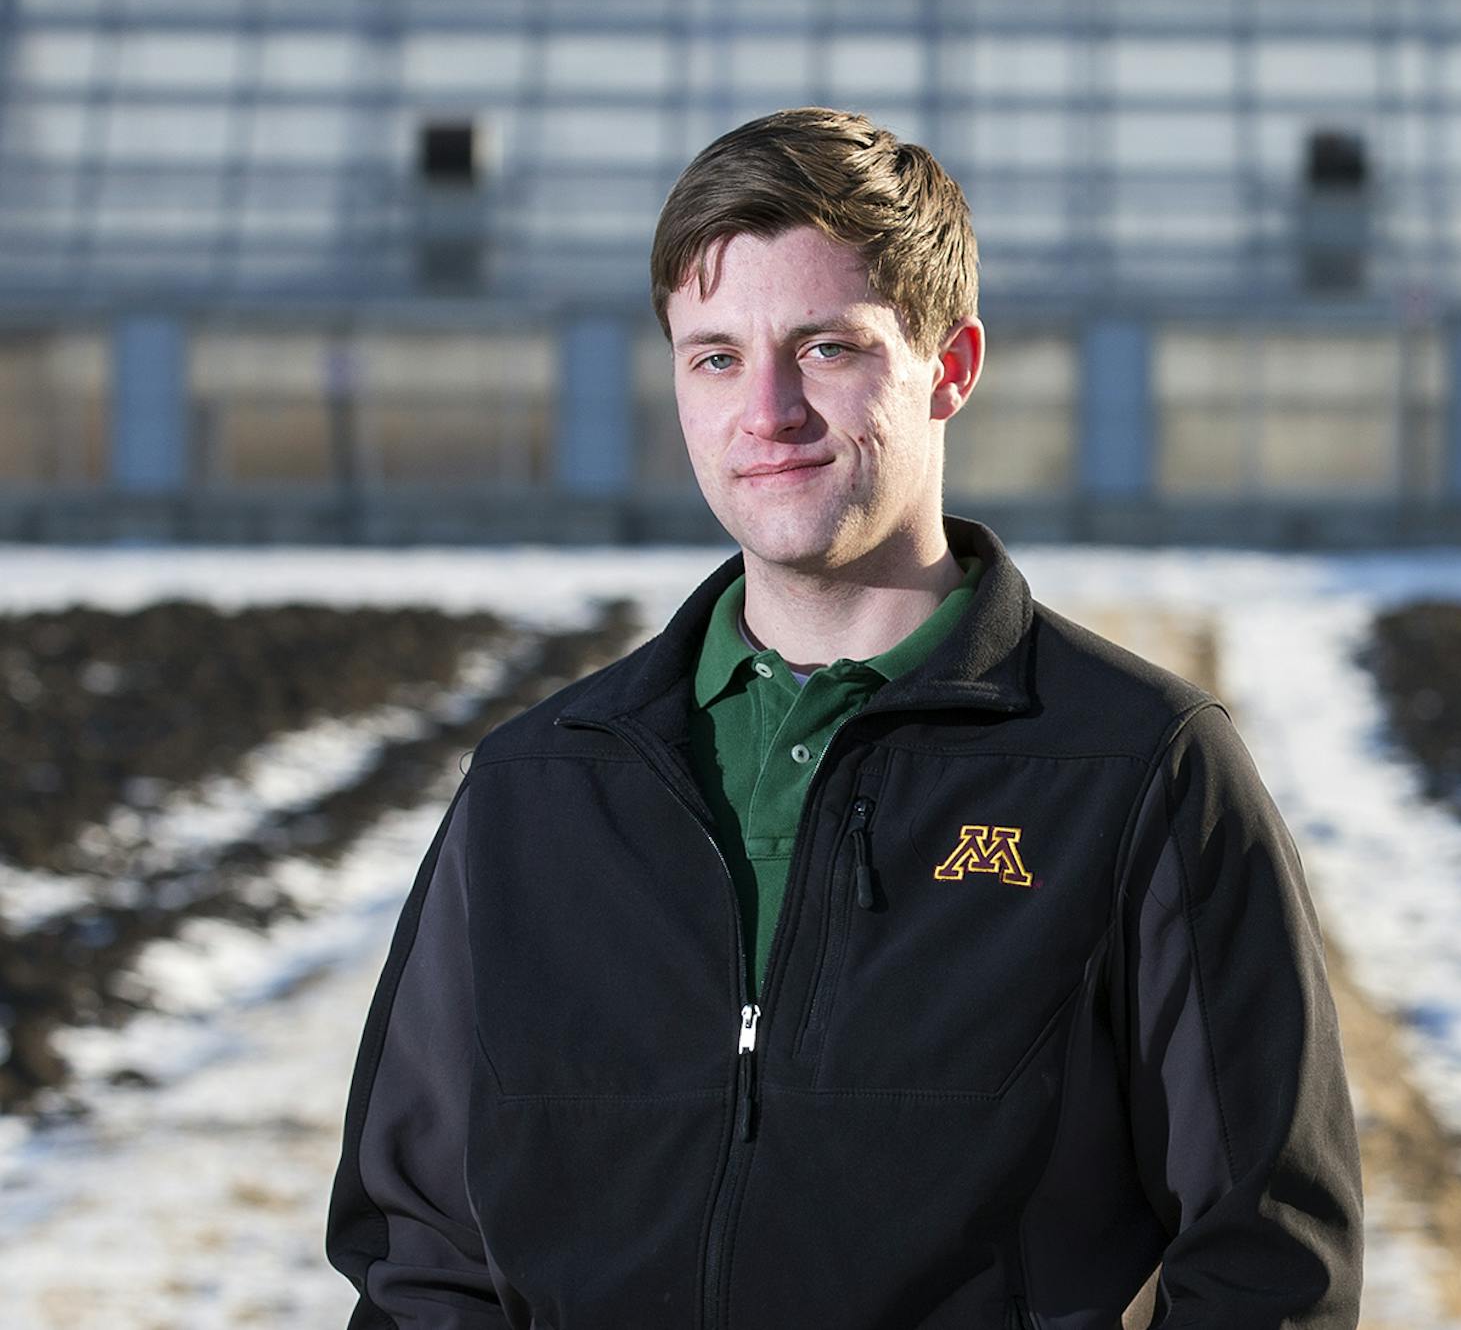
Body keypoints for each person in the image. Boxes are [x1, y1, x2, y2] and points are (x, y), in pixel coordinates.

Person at [326, 106, 1362, 1329]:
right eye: (716, 357)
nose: (767, 411)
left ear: (951, 367)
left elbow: (1267, 1259)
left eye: (826, 348)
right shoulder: (538, 788)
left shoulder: (1135, 769)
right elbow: (420, 1252)